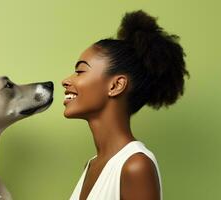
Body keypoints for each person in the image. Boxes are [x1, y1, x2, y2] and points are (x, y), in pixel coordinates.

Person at [62, 10, 188, 200]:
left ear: (116, 85)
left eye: (80, 71)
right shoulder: (91, 166)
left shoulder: (135, 165)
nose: (66, 80)